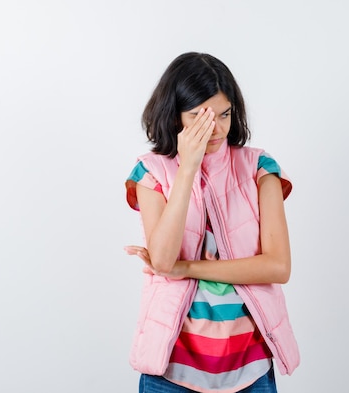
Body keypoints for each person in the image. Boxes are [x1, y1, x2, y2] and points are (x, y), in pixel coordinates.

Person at [124, 52, 299, 393]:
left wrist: (187, 267)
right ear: (174, 116)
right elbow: (162, 260)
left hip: (250, 371)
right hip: (170, 372)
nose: (215, 128)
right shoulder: (151, 172)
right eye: (200, 117)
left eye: (224, 114)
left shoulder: (260, 167)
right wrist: (187, 167)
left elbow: (278, 267)